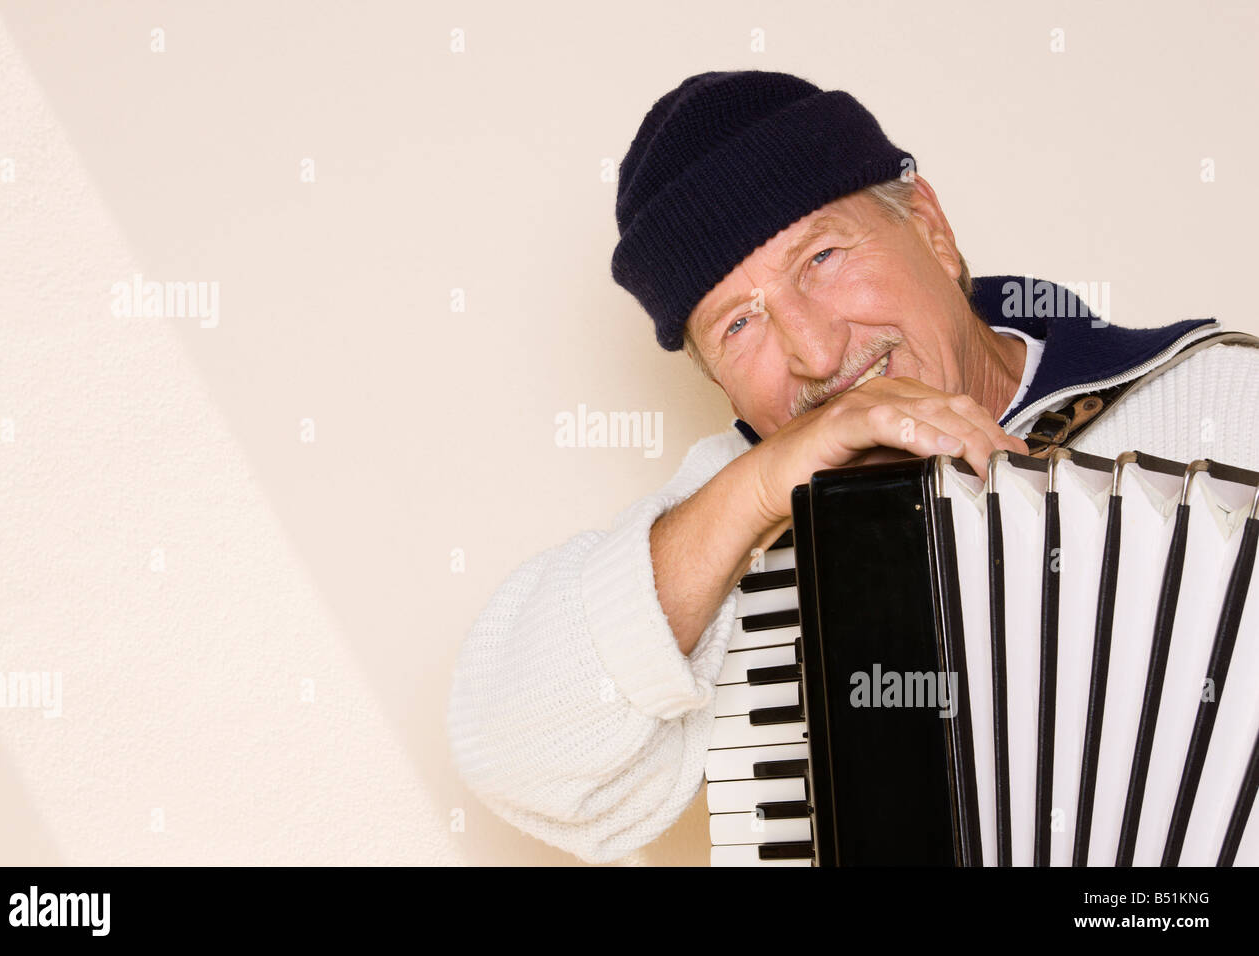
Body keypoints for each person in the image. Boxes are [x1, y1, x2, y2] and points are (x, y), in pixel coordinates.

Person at [446, 70, 1259, 863]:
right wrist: (761, 489)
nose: (816, 351)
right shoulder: (730, 514)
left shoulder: (1225, 399)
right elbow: (520, 759)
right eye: (737, 324)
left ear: (933, 230)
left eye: (822, 257)